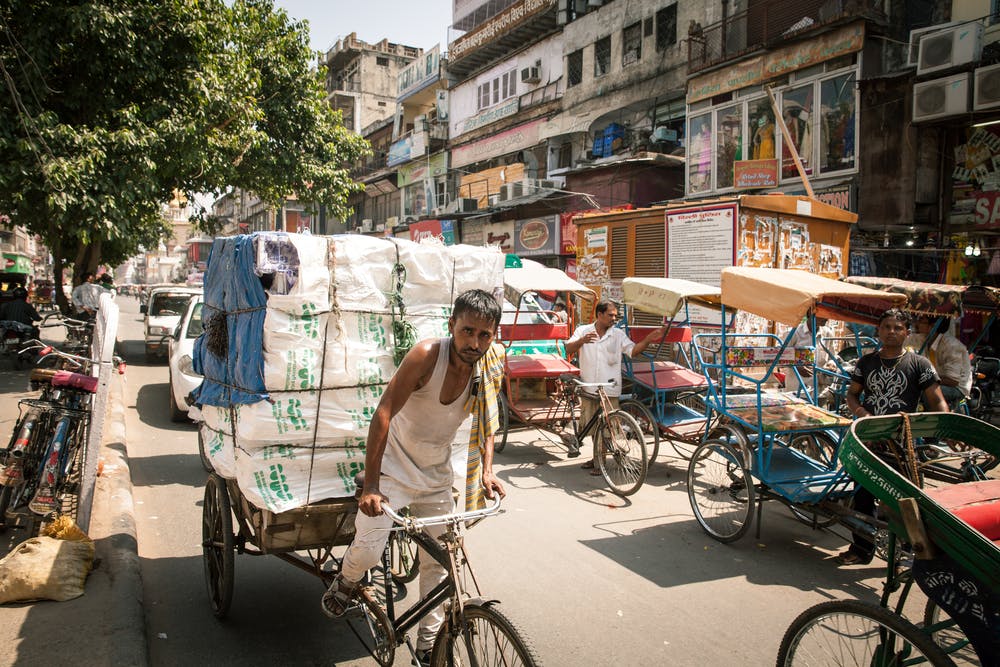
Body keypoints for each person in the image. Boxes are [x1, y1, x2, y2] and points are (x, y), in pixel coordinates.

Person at [321, 289, 505, 666]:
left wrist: (487, 471)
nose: (474, 343)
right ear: (451, 324)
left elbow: (487, 421)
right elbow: (384, 412)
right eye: (467, 331)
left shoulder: (488, 365)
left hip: (436, 476)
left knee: (441, 563)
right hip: (394, 469)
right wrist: (371, 486)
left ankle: (429, 643)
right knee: (369, 548)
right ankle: (347, 580)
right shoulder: (426, 356)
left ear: (494, 335)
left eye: (484, 335)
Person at [840, 308, 949, 565]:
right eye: (886, 326)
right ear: (878, 331)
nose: (891, 332)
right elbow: (852, 394)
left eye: (898, 328)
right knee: (862, 498)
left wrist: (945, 426)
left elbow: (938, 401)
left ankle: (912, 553)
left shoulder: (919, 364)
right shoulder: (865, 362)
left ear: (907, 333)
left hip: (903, 445)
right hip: (869, 443)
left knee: (906, 504)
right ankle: (861, 550)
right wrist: (861, 412)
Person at [563, 300, 667, 474]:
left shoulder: (618, 335)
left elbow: (633, 351)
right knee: (592, 426)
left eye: (615, 315)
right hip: (589, 387)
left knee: (607, 428)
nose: (614, 318)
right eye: (610, 315)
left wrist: (648, 339)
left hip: (609, 387)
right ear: (600, 314)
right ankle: (597, 459)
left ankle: (601, 462)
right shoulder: (583, 331)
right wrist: (582, 341)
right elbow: (567, 348)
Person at [906, 315, 972, 409]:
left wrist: (924, 380)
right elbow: (903, 341)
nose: (917, 324)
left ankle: (934, 419)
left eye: (922, 321)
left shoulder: (951, 346)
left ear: (932, 326)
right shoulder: (924, 338)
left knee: (928, 392)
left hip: (957, 388)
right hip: (935, 381)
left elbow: (953, 381)